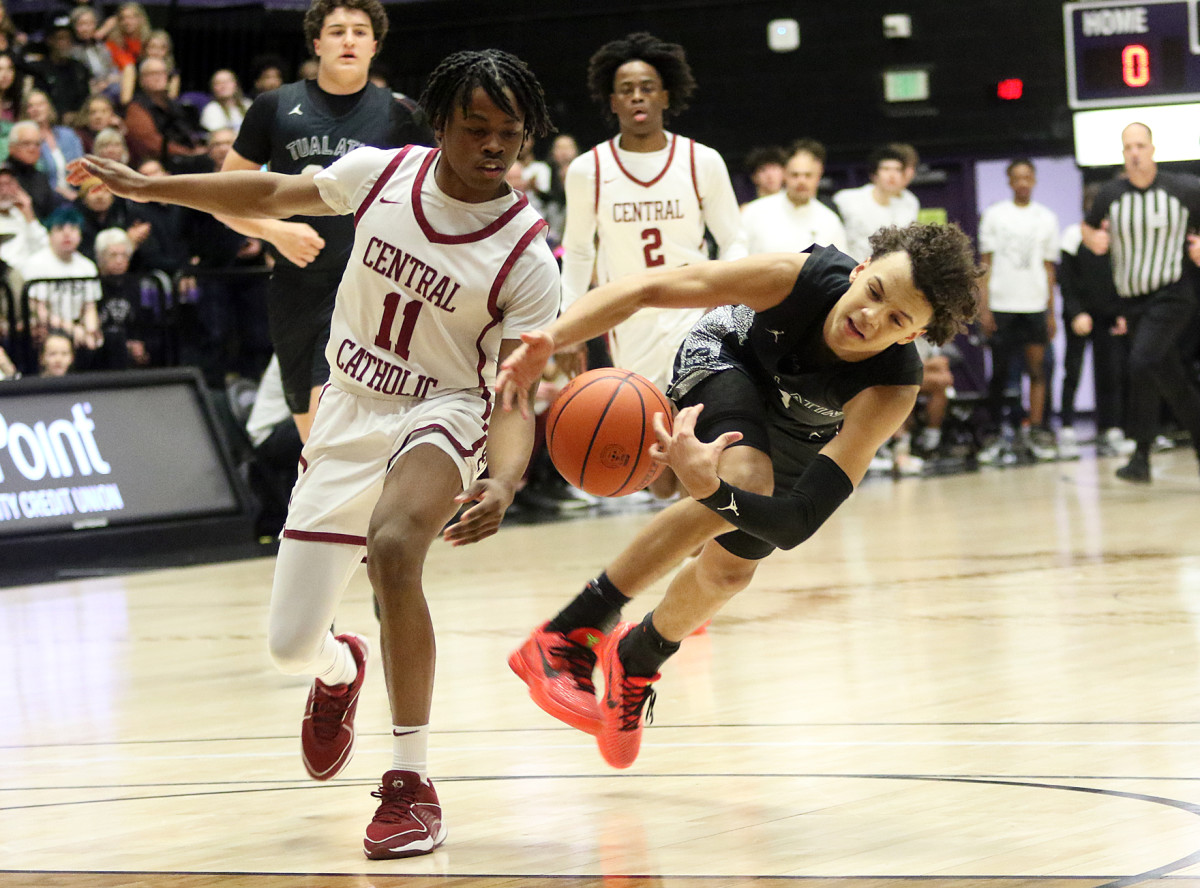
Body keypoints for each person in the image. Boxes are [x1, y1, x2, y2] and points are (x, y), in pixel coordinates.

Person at [72, 45, 558, 858]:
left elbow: (513, 393)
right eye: (477, 128)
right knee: (289, 642)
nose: (494, 147)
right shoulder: (382, 172)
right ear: (440, 123)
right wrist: (156, 186)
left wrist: (505, 478)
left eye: (510, 133)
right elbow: (266, 189)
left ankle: (410, 781)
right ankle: (339, 669)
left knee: (396, 546)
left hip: (442, 410)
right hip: (349, 406)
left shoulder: (527, 255)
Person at [498, 222, 980, 768]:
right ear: (861, 272)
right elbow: (645, 288)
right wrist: (551, 342)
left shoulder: (891, 388)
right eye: (874, 293)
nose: (871, 317)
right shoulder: (794, 277)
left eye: (897, 319)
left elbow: (798, 522)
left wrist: (711, 491)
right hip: (727, 356)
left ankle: (636, 657)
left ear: (912, 335)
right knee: (747, 483)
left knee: (731, 571)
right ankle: (566, 633)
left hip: (799, 430)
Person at [216, 0, 435, 443]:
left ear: (375, 45)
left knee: (336, 431)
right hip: (296, 289)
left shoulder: (402, 114)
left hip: (370, 288)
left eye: (359, 31)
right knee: (313, 441)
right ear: (317, 43)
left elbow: (435, 201)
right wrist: (274, 230)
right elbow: (224, 197)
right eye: (337, 31)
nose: (348, 40)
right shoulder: (276, 107)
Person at [559, 32, 745, 496]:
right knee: (658, 480)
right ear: (612, 100)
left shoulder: (702, 161)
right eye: (626, 88)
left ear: (666, 94)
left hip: (696, 318)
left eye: (647, 86)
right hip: (630, 323)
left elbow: (734, 240)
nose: (637, 95)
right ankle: (693, 544)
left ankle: (706, 552)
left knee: (702, 450)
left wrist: (722, 298)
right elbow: (579, 251)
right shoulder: (588, 170)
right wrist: (568, 326)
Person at [1082, 122, 1200, 482]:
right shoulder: (1109, 193)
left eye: (1140, 145)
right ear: (1122, 154)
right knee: (1170, 378)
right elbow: (1088, 227)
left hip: (1171, 295)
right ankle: (1146, 458)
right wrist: (1092, 239)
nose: (1134, 153)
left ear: (1152, 149)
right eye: (1127, 147)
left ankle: (1140, 456)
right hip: (1131, 300)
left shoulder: (1185, 189)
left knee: (1142, 362)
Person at [976, 158, 1060, 463]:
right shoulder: (995, 216)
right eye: (1017, 178)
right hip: (1002, 305)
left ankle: (1036, 429)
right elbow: (985, 264)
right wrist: (983, 308)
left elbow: (1049, 267)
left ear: (1034, 180)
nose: (1023, 182)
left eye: (1028, 177)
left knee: (1038, 370)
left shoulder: (1046, 218)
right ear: (1010, 181)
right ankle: (1000, 432)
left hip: (1034, 305)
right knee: (1000, 373)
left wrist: (1051, 312)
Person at [1058, 182, 1131, 459]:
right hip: (1080, 316)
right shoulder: (1073, 235)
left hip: (1108, 316)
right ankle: (1066, 428)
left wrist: (1121, 312)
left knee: (1111, 373)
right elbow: (1066, 281)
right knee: (1072, 371)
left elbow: (1120, 278)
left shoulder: (1115, 236)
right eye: (1092, 201)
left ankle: (1110, 429)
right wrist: (1077, 312)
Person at [21, 205, 102, 364]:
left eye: (73, 228)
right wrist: (71, 329)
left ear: (80, 234)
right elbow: (40, 310)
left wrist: (91, 331)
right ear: (49, 234)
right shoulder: (36, 264)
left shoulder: (87, 266)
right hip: (47, 328)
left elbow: (90, 308)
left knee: (105, 340)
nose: (67, 234)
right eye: (59, 229)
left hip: (77, 326)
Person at [739, 139, 846, 255]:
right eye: (795, 175)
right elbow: (736, 253)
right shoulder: (754, 211)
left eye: (808, 175)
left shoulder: (830, 220)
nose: (801, 181)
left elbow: (841, 266)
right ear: (785, 175)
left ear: (818, 177)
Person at [833, 145, 918, 263]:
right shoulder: (847, 200)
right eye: (886, 169)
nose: (892, 175)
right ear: (874, 174)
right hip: (852, 269)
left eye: (897, 170)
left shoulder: (909, 203)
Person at [123, 57, 205, 168]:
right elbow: (151, 144)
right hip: (159, 164)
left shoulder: (174, 104)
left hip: (185, 157)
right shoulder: (136, 107)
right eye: (152, 74)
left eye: (162, 73)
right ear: (142, 79)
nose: (158, 78)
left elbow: (190, 132)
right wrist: (188, 153)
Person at [22, 89, 85, 203]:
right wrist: (60, 192)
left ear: (49, 107)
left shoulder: (68, 135)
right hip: (44, 199)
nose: (36, 109)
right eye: (31, 106)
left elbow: (81, 167)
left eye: (40, 104)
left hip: (76, 195)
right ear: (25, 112)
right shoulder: (26, 142)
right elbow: (33, 177)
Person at [5, 120, 61, 219]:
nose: (32, 149)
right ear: (11, 147)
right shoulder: (4, 177)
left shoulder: (41, 177)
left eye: (37, 144)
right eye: (26, 143)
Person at [199, 69, 251, 134]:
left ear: (236, 84)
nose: (223, 86)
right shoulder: (211, 109)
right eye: (218, 83)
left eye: (227, 82)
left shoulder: (248, 104)